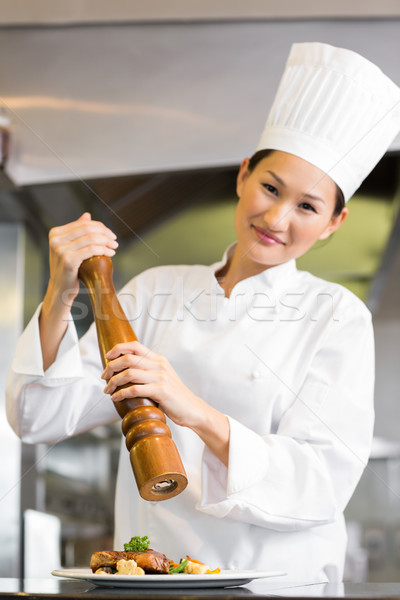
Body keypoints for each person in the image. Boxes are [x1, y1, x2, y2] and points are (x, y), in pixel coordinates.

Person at [6, 42, 400, 583]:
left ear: (334, 222)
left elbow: (320, 486)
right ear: (243, 176)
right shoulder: (154, 291)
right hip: (157, 583)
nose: (277, 217)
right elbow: (36, 418)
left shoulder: (337, 316)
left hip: (282, 586)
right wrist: (60, 292)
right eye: (270, 187)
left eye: (307, 206)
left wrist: (191, 408)